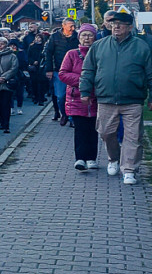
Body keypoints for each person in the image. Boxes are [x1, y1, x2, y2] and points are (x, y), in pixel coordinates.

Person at [80, 11, 152, 186]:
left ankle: (129, 169)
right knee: (106, 132)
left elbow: (150, 73)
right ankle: (114, 158)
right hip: (106, 98)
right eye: (113, 24)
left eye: (120, 24)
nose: (116, 27)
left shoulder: (141, 47)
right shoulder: (99, 46)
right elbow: (88, 70)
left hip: (133, 99)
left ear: (129, 27)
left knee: (133, 136)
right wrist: (85, 91)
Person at [59, 23, 99, 172]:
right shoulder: (72, 54)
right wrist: (83, 80)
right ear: (79, 37)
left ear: (94, 37)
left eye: (90, 35)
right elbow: (63, 73)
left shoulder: (98, 53)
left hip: (95, 98)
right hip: (77, 98)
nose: (86, 38)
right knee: (80, 129)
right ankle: (80, 158)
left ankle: (92, 158)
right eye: (84, 35)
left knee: (93, 129)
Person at [44, 17, 79, 125]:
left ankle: (72, 118)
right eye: (70, 26)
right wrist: (49, 69)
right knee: (60, 96)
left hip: (74, 70)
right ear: (63, 26)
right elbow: (48, 53)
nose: (73, 28)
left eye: (74, 26)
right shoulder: (55, 37)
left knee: (74, 95)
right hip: (59, 70)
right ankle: (64, 114)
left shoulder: (77, 36)